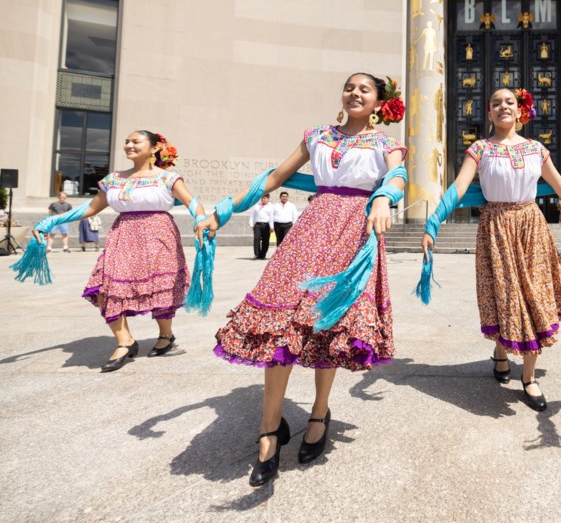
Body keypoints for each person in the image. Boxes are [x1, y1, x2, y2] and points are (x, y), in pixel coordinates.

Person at [197, 72, 406, 487]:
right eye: (350, 87)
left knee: (325, 326)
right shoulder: (316, 136)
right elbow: (272, 179)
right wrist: (222, 211)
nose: (355, 93)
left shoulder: (386, 143)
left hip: (355, 233)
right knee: (279, 326)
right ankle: (269, 428)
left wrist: (383, 197)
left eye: (365, 89)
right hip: (310, 230)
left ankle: (319, 412)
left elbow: (396, 177)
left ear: (380, 101)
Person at [421, 88, 561, 412]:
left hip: (532, 228)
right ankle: (502, 351)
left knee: (536, 299)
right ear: (489, 113)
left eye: (509, 103)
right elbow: (458, 188)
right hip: (496, 228)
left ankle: (529, 378)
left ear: (520, 111)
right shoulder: (480, 149)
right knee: (505, 299)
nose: (503, 107)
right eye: (495, 104)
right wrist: (433, 223)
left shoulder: (535, 149)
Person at [34, 131, 201, 372]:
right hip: (123, 235)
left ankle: (166, 336)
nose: (129, 145)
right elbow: (92, 207)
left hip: (159, 234)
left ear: (154, 148)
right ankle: (125, 341)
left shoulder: (168, 178)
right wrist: (51, 221)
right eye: (127, 142)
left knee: (161, 288)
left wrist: (203, 221)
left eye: (136, 141)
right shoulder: (114, 179)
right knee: (105, 288)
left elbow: (193, 203)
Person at [249, 193, 274, 259]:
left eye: (265, 198)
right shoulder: (257, 205)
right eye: (262, 198)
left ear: (268, 199)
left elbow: (272, 217)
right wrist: (251, 224)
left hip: (266, 225)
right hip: (257, 224)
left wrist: (271, 226)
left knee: (265, 240)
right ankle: (256, 254)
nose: (263, 199)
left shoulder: (271, 206)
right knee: (256, 239)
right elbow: (253, 215)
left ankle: (263, 254)